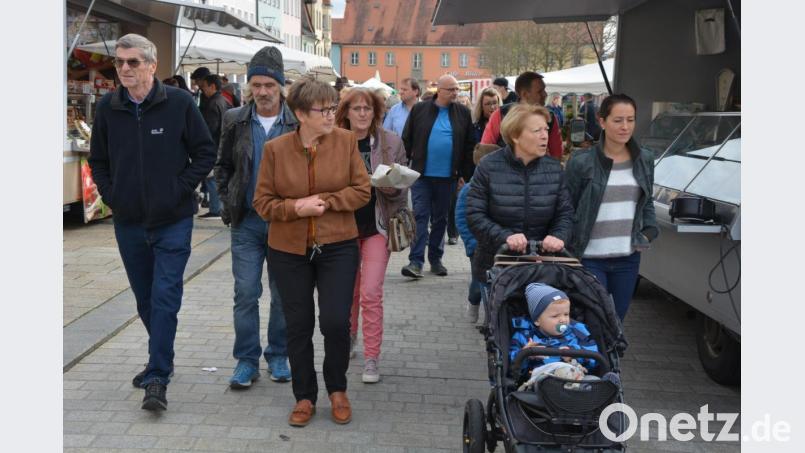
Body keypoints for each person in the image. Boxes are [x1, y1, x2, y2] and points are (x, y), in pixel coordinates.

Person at [88, 33, 216, 411]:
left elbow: (205, 151)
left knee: (164, 297)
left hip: (172, 220)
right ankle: (162, 358)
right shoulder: (109, 108)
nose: (124, 69)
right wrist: (114, 196)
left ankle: (157, 376)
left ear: (151, 65)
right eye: (120, 62)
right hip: (128, 222)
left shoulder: (178, 103)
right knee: (146, 299)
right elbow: (99, 161)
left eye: (133, 62)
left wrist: (179, 189)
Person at [252, 78, 371, 427]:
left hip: (338, 245)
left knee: (335, 322)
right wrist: (294, 208)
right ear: (301, 114)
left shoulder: (347, 141)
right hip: (288, 249)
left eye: (334, 108)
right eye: (324, 110)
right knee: (298, 325)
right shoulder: (275, 149)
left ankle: (337, 388)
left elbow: (362, 191)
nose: (332, 115)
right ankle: (304, 395)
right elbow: (262, 203)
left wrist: (327, 202)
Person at [214, 46, 298, 389]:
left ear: (281, 86)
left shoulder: (296, 121)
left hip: (285, 223)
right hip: (246, 221)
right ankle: (246, 360)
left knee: (282, 294)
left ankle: (277, 353)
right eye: (256, 84)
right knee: (246, 292)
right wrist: (226, 200)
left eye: (269, 85)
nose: (262, 91)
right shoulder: (235, 118)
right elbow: (223, 166)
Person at [335, 88, 408, 383]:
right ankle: (351, 336)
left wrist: (387, 184)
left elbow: (402, 185)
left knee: (370, 292)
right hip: (342, 227)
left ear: (376, 112)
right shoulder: (335, 140)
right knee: (348, 292)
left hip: (377, 226)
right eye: (356, 108)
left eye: (367, 108)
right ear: (347, 112)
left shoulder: (390, 142)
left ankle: (372, 357)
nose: (363, 113)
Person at [565, 93, 658, 320]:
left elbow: (646, 201)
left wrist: (649, 231)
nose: (625, 127)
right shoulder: (581, 161)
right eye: (618, 120)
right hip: (589, 257)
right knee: (593, 320)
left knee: (616, 323)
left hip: (627, 258)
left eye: (630, 119)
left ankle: (609, 357)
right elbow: (566, 207)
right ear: (601, 121)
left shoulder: (645, 158)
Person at [466, 104, 573, 288]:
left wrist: (558, 236)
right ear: (515, 136)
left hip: (543, 266)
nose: (544, 136)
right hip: (497, 264)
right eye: (536, 130)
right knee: (502, 316)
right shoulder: (488, 166)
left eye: (546, 129)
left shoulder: (555, 169)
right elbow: (475, 215)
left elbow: (565, 213)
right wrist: (506, 237)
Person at [400, 74, 476, 279]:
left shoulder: (462, 112)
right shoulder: (420, 109)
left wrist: (464, 174)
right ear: (439, 90)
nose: (455, 93)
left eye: (456, 89)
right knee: (420, 216)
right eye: (451, 89)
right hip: (421, 175)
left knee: (441, 220)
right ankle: (415, 262)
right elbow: (406, 138)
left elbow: (469, 146)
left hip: (448, 177)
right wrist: (402, 167)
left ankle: (436, 259)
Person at [509, 283, 599, 376]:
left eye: (566, 314)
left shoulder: (577, 331)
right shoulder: (524, 336)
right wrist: (526, 354)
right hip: (541, 381)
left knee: (592, 380)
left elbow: (594, 357)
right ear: (537, 320)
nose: (563, 320)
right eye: (555, 316)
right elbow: (512, 365)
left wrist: (575, 353)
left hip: (575, 377)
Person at [454, 143, 498, 323]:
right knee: (479, 282)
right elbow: (461, 219)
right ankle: (474, 304)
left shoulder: (499, 188)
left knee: (494, 281)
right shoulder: (469, 189)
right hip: (477, 246)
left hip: (496, 244)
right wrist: (471, 244)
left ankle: (491, 318)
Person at [481, 72, 563, 159]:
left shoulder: (550, 117)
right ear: (524, 94)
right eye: (540, 91)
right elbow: (485, 150)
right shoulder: (501, 114)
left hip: (537, 171)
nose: (545, 94)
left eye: (544, 90)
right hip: (504, 170)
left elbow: (556, 155)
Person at [199, 74, 230, 220]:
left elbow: (209, 128)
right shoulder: (223, 100)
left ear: (212, 86)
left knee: (211, 178)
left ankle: (215, 208)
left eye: (204, 86)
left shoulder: (212, 103)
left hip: (214, 145)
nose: (202, 90)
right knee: (215, 177)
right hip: (221, 144)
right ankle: (218, 207)